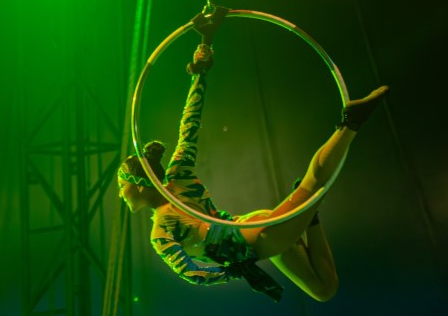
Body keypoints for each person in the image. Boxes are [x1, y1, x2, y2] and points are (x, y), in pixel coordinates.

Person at [117, 43, 389, 302]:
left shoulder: (160, 229)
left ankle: (350, 124)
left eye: (122, 186)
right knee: (323, 289)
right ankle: (310, 216)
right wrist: (199, 75)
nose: (120, 194)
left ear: (139, 184)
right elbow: (189, 125)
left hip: (258, 237)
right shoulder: (178, 178)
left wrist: (232, 273)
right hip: (255, 232)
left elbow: (192, 274)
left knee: (312, 185)